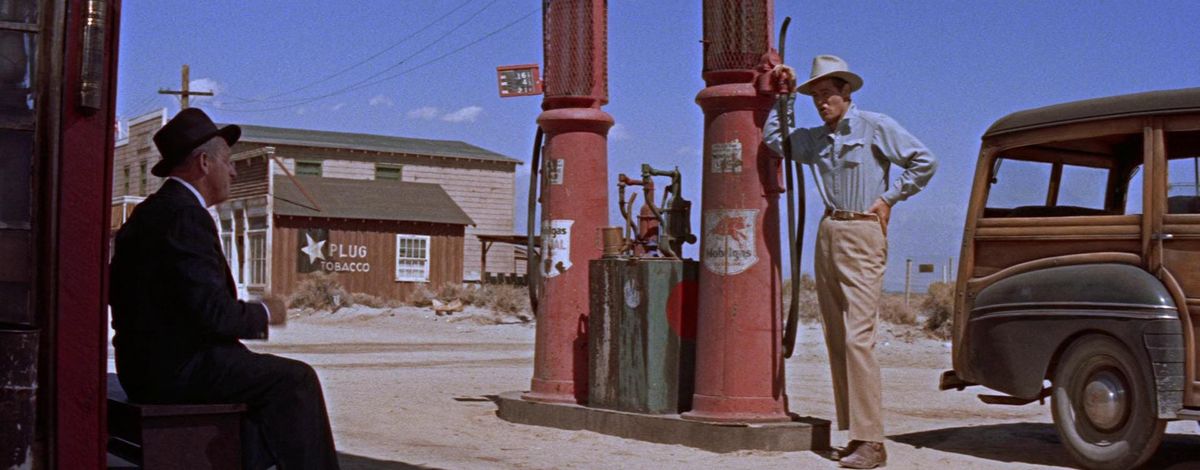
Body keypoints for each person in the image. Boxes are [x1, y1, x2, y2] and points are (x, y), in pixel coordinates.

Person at [109, 108, 340, 470]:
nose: (233, 171)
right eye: (228, 162)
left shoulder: (150, 213)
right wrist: (265, 312)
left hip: (145, 367)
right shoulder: (185, 216)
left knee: (259, 395)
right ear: (204, 163)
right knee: (296, 381)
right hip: (176, 371)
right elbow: (212, 314)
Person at [764, 55, 937, 469]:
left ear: (847, 93)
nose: (822, 102)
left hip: (862, 230)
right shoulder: (816, 138)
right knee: (837, 336)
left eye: (828, 94)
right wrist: (783, 98)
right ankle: (856, 435)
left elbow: (924, 161)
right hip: (828, 231)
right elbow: (775, 142)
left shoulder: (875, 125)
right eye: (816, 96)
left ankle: (872, 442)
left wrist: (889, 198)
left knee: (859, 337)